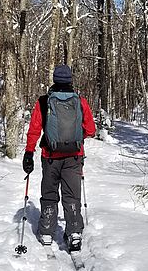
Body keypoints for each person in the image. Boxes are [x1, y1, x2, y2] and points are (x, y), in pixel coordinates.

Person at [22, 65, 96, 252]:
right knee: (72, 195)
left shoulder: (44, 101)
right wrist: (75, 139)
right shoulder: (80, 101)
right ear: (71, 80)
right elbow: (91, 130)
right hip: (74, 156)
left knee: (50, 193)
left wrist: (29, 152)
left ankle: (47, 232)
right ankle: (74, 233)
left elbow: (34, 129)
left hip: (50, 156)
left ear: (54, 79)